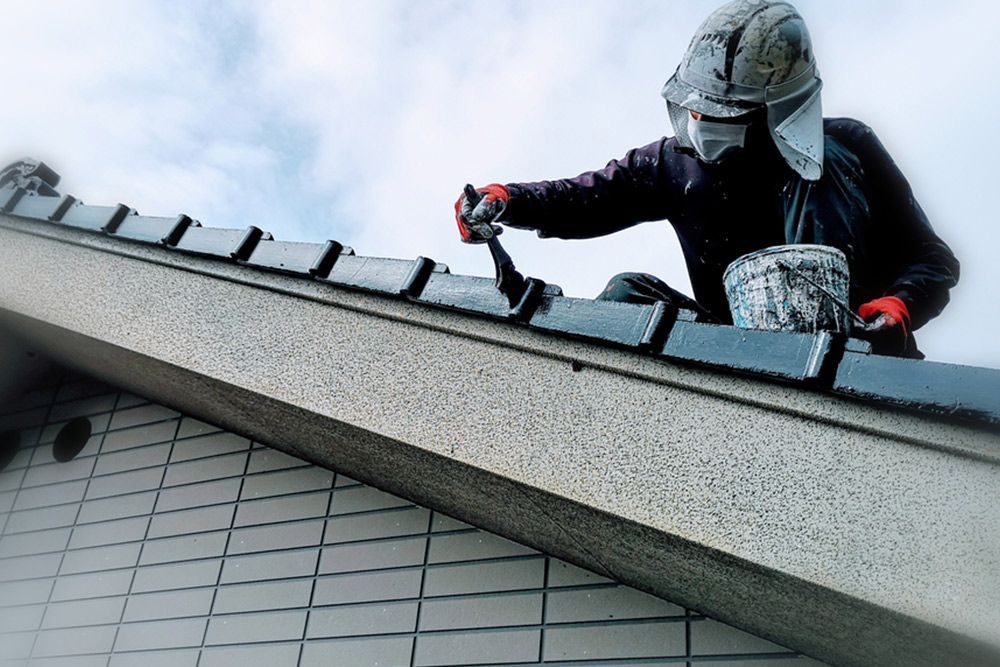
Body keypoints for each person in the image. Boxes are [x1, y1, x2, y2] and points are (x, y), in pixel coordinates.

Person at [454, 0, 958, 358]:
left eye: (720, 115)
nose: (698, 125)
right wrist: (507, 200)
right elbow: (585, 197)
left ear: (773, 113)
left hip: (855, 353)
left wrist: (900, 304)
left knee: (819, 172)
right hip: (734, 355)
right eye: (694, 110)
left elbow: (933, 260)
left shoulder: (845, 147)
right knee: (628, 295)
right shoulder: (673, 164)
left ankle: (824, 347)